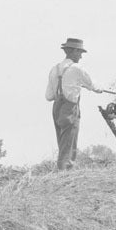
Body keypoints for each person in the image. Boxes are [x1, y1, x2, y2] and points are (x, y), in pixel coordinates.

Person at [45, 37, 105, 170]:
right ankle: (65, 170)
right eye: (80, 53)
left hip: (56, 108)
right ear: (73, 51)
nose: (81, 57)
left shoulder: (54, 69)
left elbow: (49, 96)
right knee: (69, 140)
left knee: (62, 141)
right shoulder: (77, 68)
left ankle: (63, 168)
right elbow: (93, 85)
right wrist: (99, 88)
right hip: (69, 108)